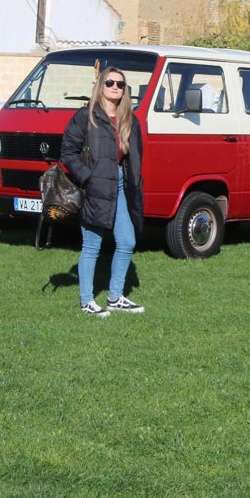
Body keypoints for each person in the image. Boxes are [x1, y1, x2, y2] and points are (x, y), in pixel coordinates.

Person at [61, 67, 146, 317]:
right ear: (100, 85)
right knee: (92, 245)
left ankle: (115, 297)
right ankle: (87, 301)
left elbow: (134, 157)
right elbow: (68, 151)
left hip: (119, 184)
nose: (115, 87)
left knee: (127, 241)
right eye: (110, 82)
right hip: (94, 185)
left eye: (120, 84)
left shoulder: (129, 118)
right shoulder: (86, 116)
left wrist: (133, 182)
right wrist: (87, 177)